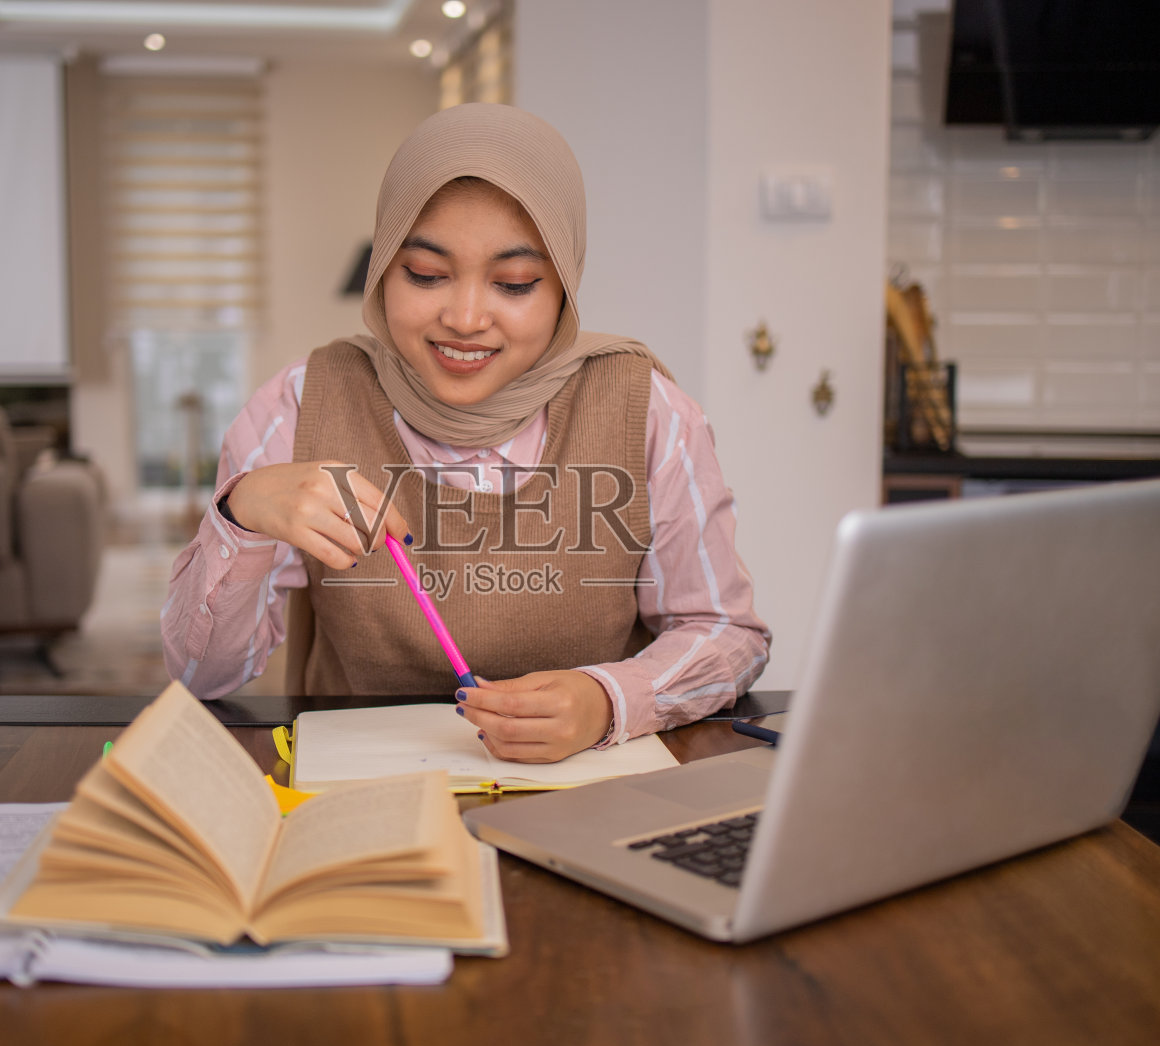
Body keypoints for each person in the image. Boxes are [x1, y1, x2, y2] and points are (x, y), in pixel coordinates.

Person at [163, 103, 769, 763]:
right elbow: (203, 678)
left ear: (564, 288)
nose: (466, 317)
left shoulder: (648, 411)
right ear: (383, 269)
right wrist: (242, 514)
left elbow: (727, 633)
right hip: (364, 794)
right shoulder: (298, 406)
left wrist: (608, 700)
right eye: (426, 274)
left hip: (586, 796)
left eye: (515, 283)